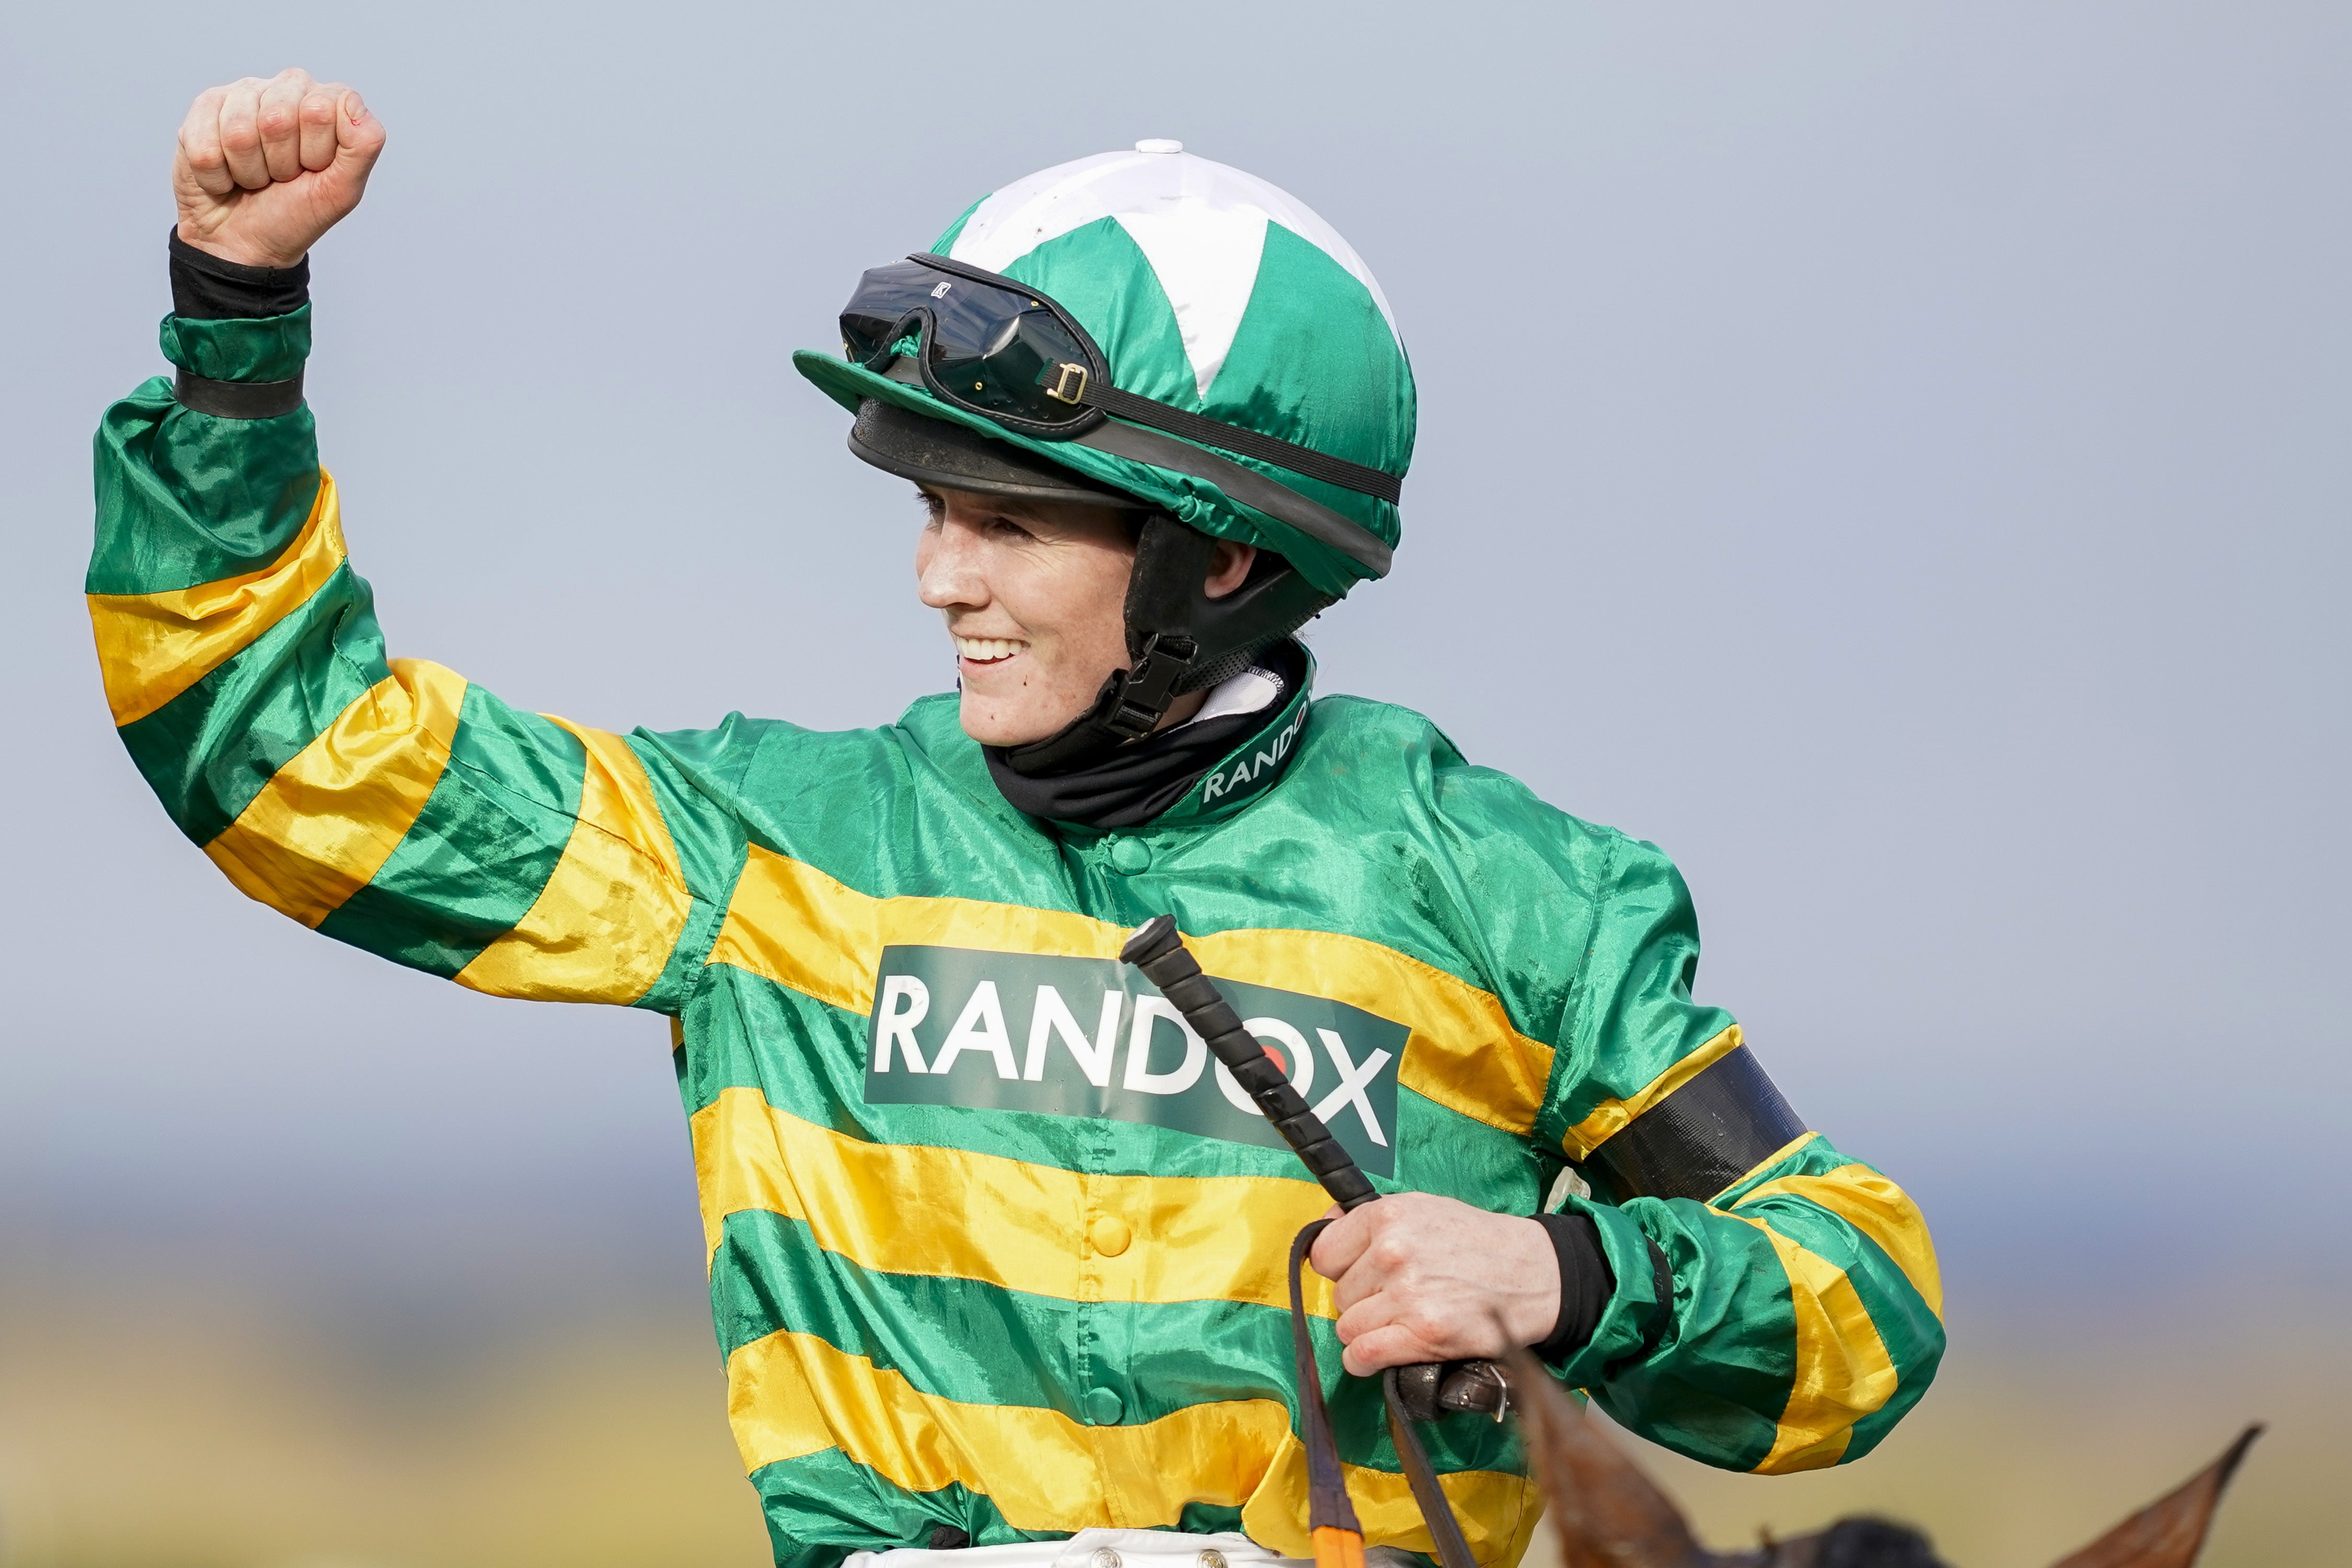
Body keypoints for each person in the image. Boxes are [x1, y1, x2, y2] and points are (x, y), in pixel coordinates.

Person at [91, 67, 1944, 1568]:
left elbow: (1854, 1304)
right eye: (926, 512)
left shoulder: (1515, 893)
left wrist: (1562, 1268)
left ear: (1219, 556)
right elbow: (286, 764)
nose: (937, 581)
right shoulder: (766, 846)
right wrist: (236, 321)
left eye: (1009, 524)